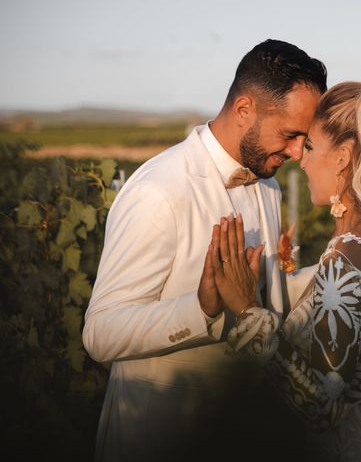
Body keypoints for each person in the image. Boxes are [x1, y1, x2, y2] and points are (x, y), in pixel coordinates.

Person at [82, 39, 327, 461]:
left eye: (303, 139)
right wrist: (201, 310)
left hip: (239, 434)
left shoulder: (266, 185)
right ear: (244, 109)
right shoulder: (160, 191)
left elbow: (267, 300)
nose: (295, 152)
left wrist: (337, 273)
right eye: (290, 134)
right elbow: (100, 334)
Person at [207, 80, 361, 461]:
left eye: (311, 147)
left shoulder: (347, 255)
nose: (301, 158)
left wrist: (248, 312)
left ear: (343, 157)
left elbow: (322, 406)